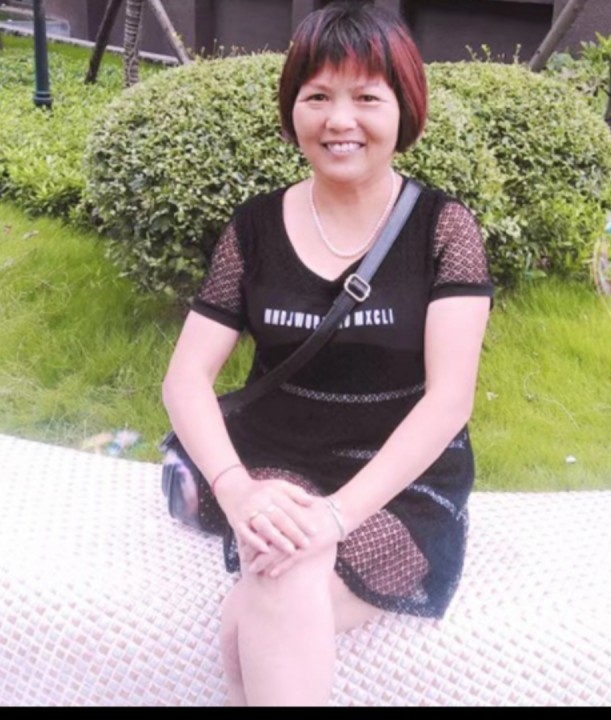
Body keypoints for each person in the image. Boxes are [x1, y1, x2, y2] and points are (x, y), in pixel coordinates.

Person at [162, 2, 493, 707]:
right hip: (273, 464)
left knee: (268, 594)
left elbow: (449, 400)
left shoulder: (444, 230)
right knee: (279, 579)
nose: (340, 120)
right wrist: (236, 489)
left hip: (400, 482)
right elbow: (187, 378)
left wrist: (337, 516)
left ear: (404, 108)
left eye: (366, 97)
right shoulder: (254, 228)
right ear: (293, 110)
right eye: (318, 97)